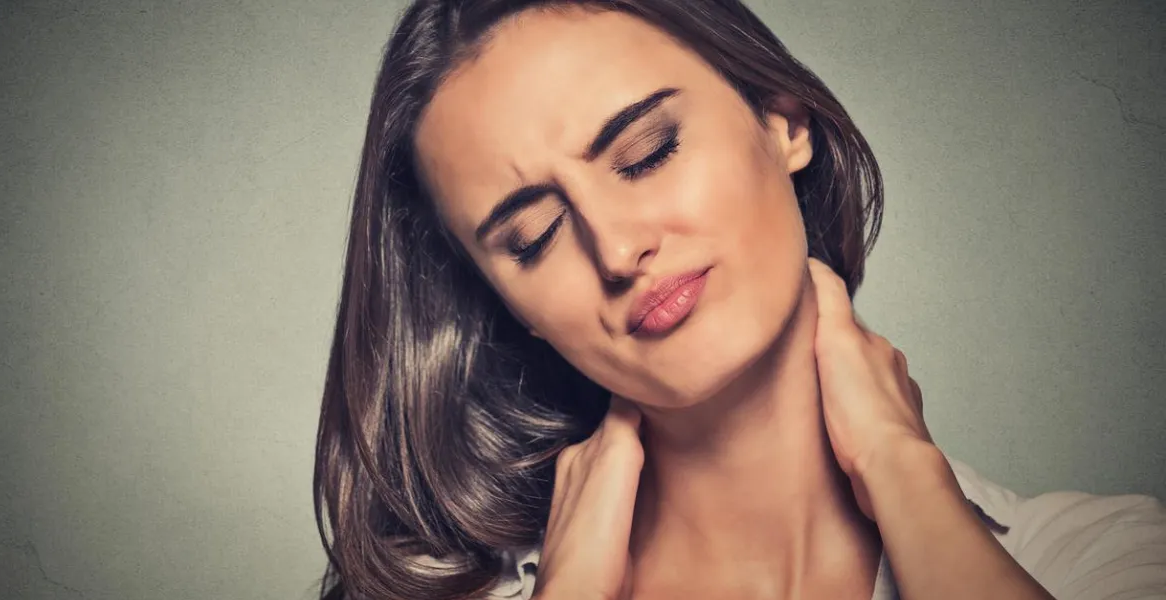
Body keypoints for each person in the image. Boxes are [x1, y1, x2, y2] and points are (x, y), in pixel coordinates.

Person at [312, 1, 1166, 598]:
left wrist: (906, 477)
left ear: (782, 124)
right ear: (506, 306)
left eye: (647, 152)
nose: (617, 250)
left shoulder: (1100, 559)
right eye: (533, 238)